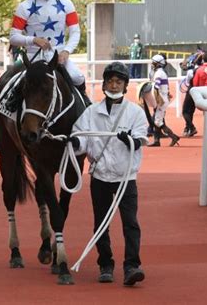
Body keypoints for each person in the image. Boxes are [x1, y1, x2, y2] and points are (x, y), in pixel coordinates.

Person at [69, 62, 148, 287]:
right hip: (100, 176)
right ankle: (105, 265)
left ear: (125, 86)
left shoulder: (135, 112)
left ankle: (132, 266)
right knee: (101, 222)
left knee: (130, 223)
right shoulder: (92, 112)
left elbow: (141, 138)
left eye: (119, 82)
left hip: (126, 178)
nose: (114, 85)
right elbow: (81, 136)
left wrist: (131, 140)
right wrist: (75, 142)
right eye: (110, 81)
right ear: (104, 84)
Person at [9, 0, 91, 107]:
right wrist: (32, 40)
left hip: (58, 56)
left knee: (78, 77)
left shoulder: (66, 4)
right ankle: (6, 112)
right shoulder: (24, 7)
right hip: (32, 58)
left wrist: (66, 51)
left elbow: (75, 32)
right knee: (14, 84)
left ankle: (85, 104)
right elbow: (13, 37)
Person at [147, 54, 180, 147]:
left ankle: (174, 137)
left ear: (158, 64)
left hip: (161, 100)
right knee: (157, 120)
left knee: (157, 121)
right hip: (162, 98)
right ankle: (157, 141)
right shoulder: (160, 72)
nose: (152, 64)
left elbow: (156, 87)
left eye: (154, 63)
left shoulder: (158, 73)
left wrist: (157, 100)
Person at [180, 55, 200, 137]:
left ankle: (192, 127)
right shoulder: (200, 68)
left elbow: (187, 82)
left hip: (191, 90)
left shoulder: (190, 72)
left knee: (185, 111)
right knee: (191, 111)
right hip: (200, 91)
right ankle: (188, 128)